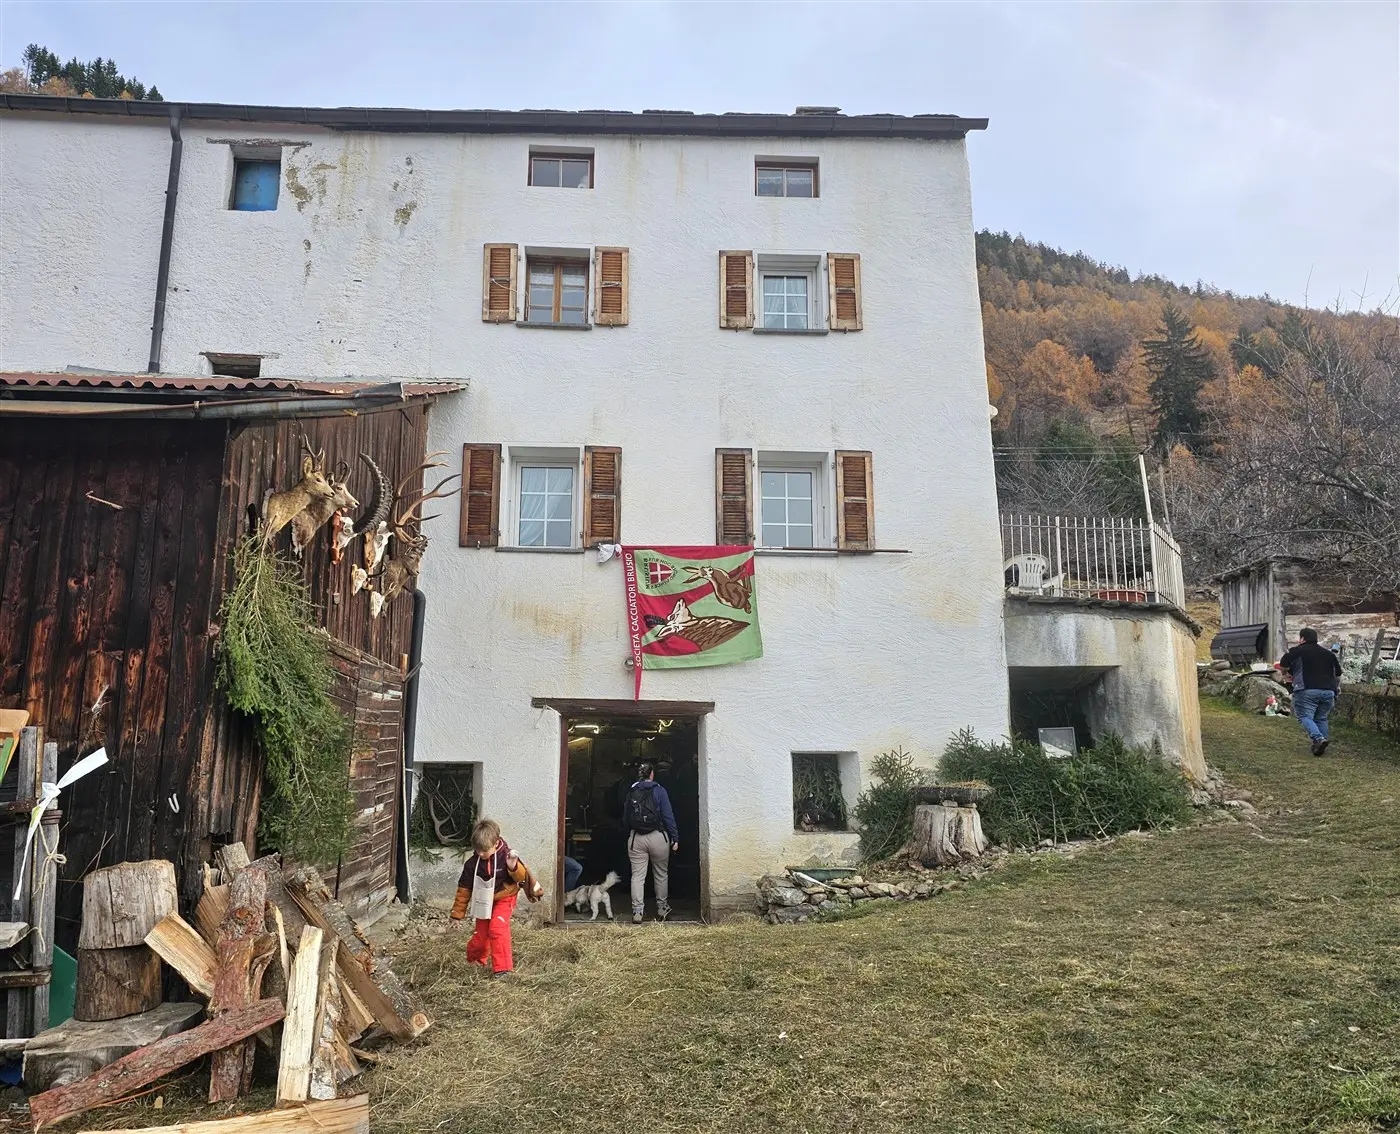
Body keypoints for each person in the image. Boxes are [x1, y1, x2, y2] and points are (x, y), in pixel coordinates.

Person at [450, 818, 542, 976]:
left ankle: (503, 969)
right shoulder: (472, 864)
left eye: (484, 850)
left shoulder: (507, 856)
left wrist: (513, 867)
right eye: (478, 849)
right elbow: (464, 890)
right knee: (481, 936)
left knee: (497, 929)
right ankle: (475, 961)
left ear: (496, 843)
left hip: (505, 898)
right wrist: (457, 915)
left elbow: (521, 878)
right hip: (484, 902)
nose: (480, 853)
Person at [624, 763, 679, 924]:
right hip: (658, 837)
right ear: (652, 774)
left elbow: (625, 816)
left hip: (637, 838)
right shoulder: (660, 790)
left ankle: (637, 912)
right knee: (661, 874)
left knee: (637, 876)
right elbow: (668, 815)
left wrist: (628, 834)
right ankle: (662, 908)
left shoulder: (632, 791)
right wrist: (675, 837)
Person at [1280, 627, 1343, 756]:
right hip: (1328, 691)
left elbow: (1283, 664)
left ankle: (1318, 739)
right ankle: (1320, 745)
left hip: (1307, 690)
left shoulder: (1297, 651)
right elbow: (1338, 675)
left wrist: (1285, 674)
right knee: (1321, 718)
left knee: (1304, 716)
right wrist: (1337, 688)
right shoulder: (1329, 654)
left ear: (1302, 638)